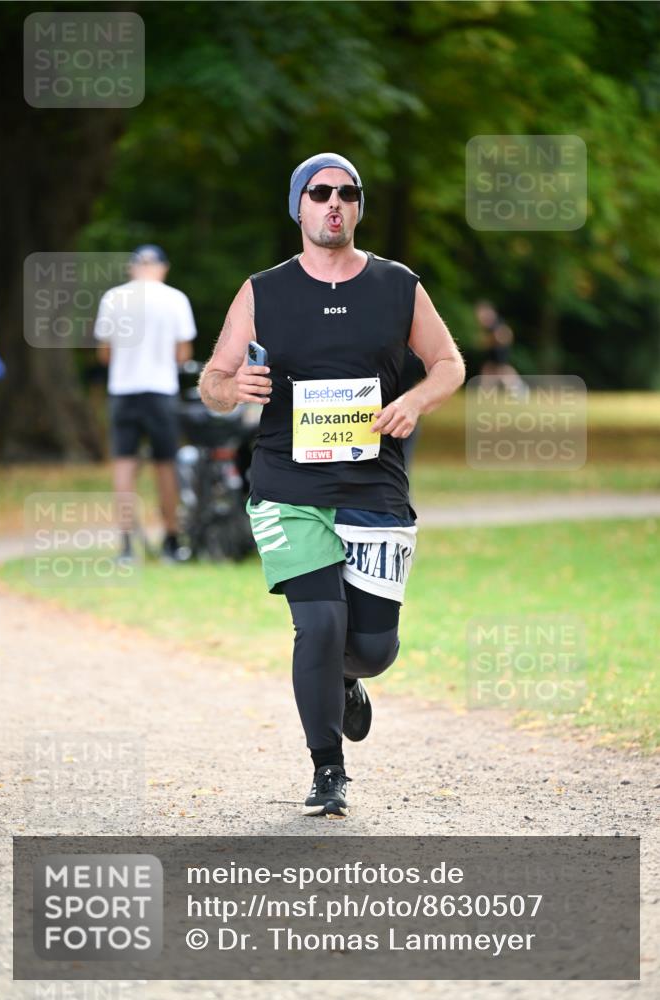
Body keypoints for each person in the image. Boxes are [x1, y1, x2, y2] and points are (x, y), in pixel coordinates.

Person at [199, 153, 465, 817]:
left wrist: (415, 403)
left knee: (372, 649)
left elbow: (449, 363)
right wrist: (234, 388)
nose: (333, 204)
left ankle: (346, 680)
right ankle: (327, 769)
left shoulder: (396, 285)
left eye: (347, 193)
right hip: (287, 481)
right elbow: (211, 382)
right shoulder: (263, 291)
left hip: (373, 483)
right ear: (299, 206)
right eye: (319, 193)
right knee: (317, 624)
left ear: (358, 206)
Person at [95, 244, 197, 561]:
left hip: (123, 390)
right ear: (163, 268)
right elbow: (183, 354)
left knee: (124, 465)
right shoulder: (175, 298)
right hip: (159, 389)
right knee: (165, 465)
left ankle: (126, 545)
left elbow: (104, 353)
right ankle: (170, 539)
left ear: (132, 268)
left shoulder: (113, 298)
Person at [475, 300, 528, 396]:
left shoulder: (496, 323)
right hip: (494, 352)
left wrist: (491, 341)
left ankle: (520, 391)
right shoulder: (490, 325)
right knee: (489, 370)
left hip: (499, 352)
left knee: (503, 372)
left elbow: (505, 335)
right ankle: (486, 393)